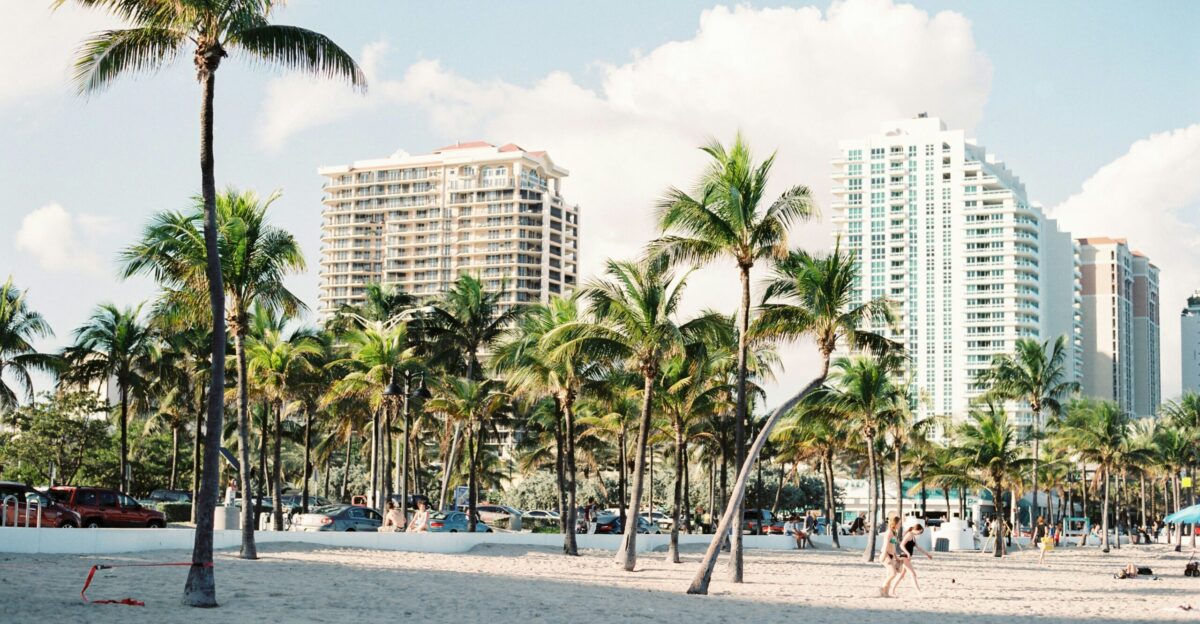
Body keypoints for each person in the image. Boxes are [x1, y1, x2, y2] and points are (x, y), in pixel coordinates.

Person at [893, 522, 933, 595]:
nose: (919, 534)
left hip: (907, 557)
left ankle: (892, 590)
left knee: (901, 575)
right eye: (919, 532)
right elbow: (901, 545)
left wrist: (927, 554)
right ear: (916, 529)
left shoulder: (913, 536)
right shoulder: (909, 535)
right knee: (913, 574)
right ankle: (918, 592)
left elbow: (918, 547)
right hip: (904, 556)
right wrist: (907, 553)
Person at [880, 515, 904, 598]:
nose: (900, 525)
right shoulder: (889, 532)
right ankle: (882, 588)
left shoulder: (894, 532)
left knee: (889, 574)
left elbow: (893, 546)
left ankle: (885, 593)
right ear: (895, 523)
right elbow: (886, 544)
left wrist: (896, 557)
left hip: (891, 555)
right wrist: (883, 555)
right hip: (886, 554)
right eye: (899, 523)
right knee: (893, 573)